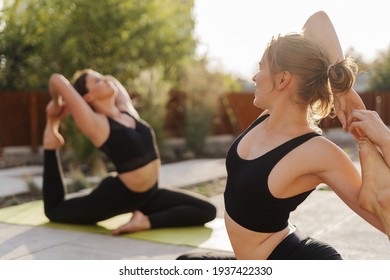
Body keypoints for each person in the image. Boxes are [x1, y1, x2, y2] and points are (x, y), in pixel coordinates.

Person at [177, 11, 387, 260]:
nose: (254, 77)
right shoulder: (265, 120)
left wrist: (385, 140)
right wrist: (344, 90)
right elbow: (317, 21)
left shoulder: (318, 152)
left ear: (283, 79)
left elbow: (380, 215)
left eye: (260, 68)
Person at [43, 69, 216, 234]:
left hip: (150, 193)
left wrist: (101, 78)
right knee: (55, 211)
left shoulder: (126, 111)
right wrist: (56, 106)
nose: (106, 79)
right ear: (87, 97)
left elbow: (113, 80)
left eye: (103, 77)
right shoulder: (96, 124)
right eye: (97, 81)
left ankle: (144, 222)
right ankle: (50, 147)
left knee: (207, 210)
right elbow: (56, 80)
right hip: (120, 196)